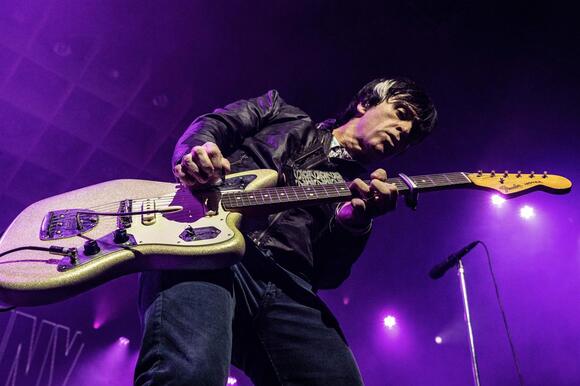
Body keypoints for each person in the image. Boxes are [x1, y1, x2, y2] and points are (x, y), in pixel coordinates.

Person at [134, 77, 437, 385]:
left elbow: (329, 277)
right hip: (207, 245)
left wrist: (353, 222)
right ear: (365, 103)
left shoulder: (359, 190)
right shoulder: (281, 111)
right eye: (401, 113)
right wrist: (198, 151)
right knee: (189, 374)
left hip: (288, 284)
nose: (405, 131)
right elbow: (214, 124)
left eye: (412, 136)